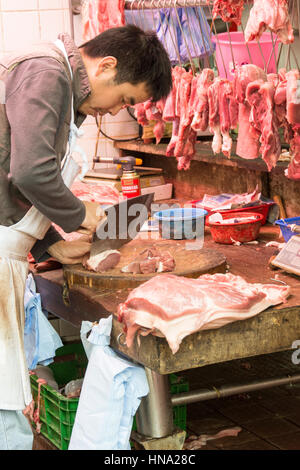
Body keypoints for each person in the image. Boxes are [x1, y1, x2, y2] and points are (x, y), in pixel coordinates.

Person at [0, 24, 172, 450]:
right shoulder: (47, 72)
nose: (116, 111)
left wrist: (49, 245)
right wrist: (81, 215)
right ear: (107, 66)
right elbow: (30, 172)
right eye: (126, 99)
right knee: (5, 410)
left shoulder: (57, 79)